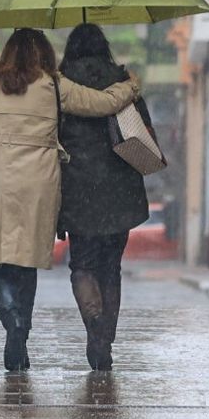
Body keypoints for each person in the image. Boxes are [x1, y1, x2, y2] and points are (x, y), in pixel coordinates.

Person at [0, 28, 139, 372]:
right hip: (37, 179)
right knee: (25, 257)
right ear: (43, 53)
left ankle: (14, 323)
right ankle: (24, 326)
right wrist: (130, 85)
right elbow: (102, 104)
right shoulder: (53, 85)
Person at [58, 23, 153, 371]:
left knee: (82, 265)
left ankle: (94, 326)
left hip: (78, 189)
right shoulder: (124, 83)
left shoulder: (59, 86)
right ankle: (105, 339)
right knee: (111, 267)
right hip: (120, 189)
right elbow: (143, 131)